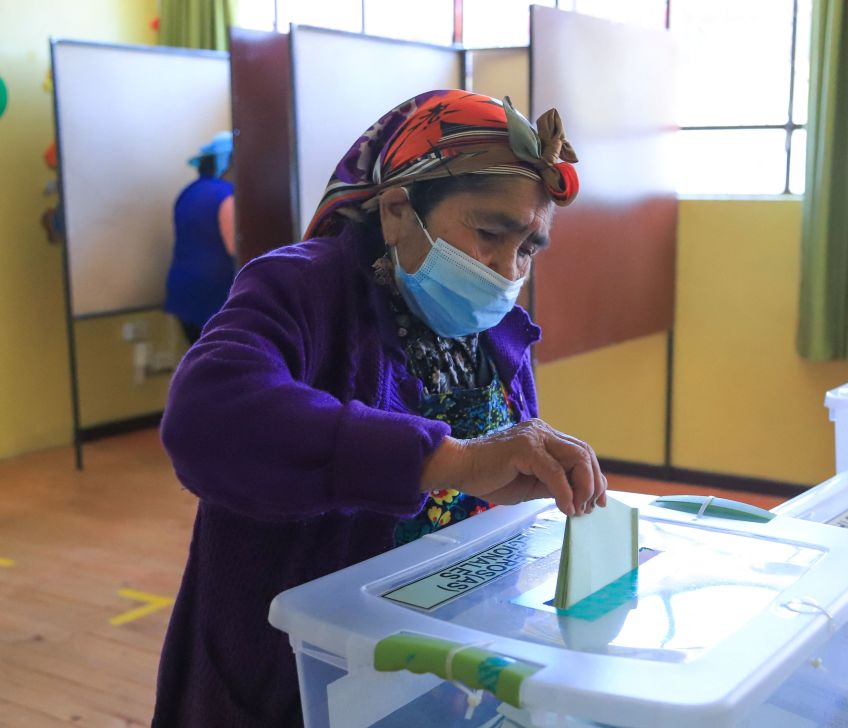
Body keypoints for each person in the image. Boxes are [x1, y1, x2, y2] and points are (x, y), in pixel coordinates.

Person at [152, 90, 608, 727]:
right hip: (296, 673)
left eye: (528, 248)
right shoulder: (299, 288)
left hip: (438, 666)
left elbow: (481, 492)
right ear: (397, 211)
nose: (507, 270)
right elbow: (207, 418)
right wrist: (449, 460)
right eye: (489, 233)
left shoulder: (496, 330)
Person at [165, 130, 237, 344]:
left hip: (184, 296)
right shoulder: (227, 195)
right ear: (229, 163)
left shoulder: (189, 191)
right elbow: (236, 247)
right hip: (212, 299)